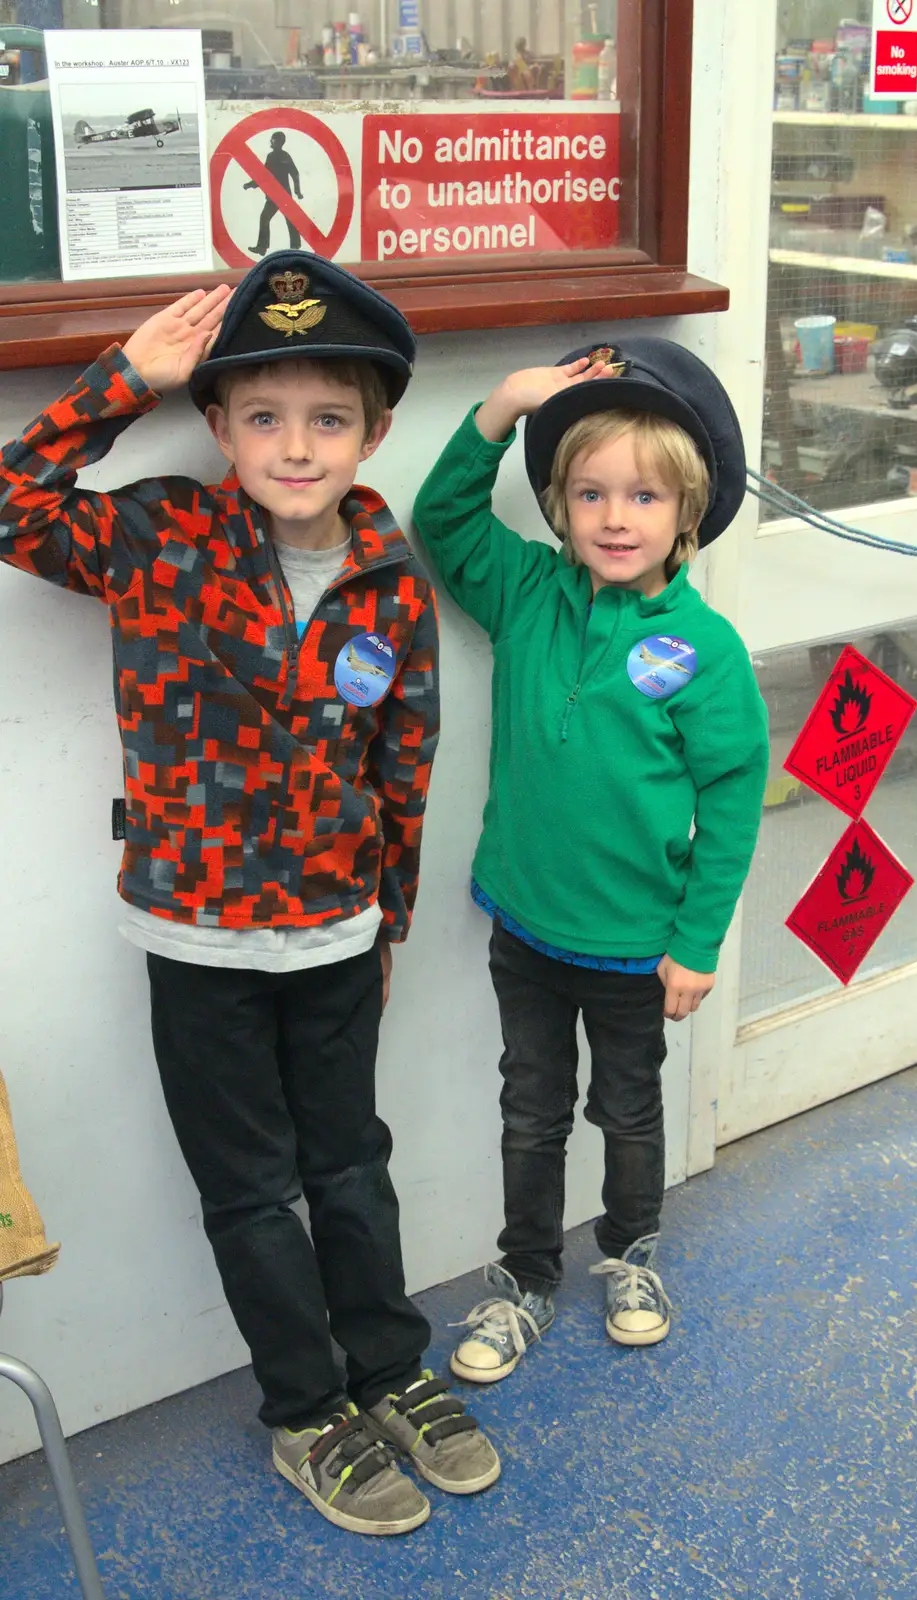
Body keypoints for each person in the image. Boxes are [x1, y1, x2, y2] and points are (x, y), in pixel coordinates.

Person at [0, 252, 499, 1534]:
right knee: (252, 1190)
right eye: (262, 416)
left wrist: (385, 928)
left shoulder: (392, 579)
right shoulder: (156, 535)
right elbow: (8, 500)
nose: (296, 445)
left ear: (373, 430)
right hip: (196, 937)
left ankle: (390, 1368)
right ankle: (305, 1407)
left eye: (328, 417)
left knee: (351, 1166)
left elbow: (409, 772)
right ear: (217, 424)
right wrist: (123, 380)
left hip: (336, 933)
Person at [412, 337, 769, 1383]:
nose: (617, 518)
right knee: (531, 1106)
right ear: (560, 504)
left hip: (633, 947)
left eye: (646, 497)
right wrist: (500, 408)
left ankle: (631, 1252)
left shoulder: (704, 652)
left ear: (686, 515)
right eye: (592, 492)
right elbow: (440, 521)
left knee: (627, 1108)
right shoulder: (524, 590)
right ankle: (525, 1275)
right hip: (526, 925)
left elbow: (734, 801)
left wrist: (695, 944)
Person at [246, 131, 303, 255]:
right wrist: (251, 184)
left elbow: (294, 173)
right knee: (267, 218)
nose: (271, 142)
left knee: (290, 220)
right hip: (275, 196)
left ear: (278, 142)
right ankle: (265, 247)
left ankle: (295, 247)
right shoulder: (272, 156)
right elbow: (264, 175)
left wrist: (297, 190)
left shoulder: (281, 156)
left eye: (273, 140)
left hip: (282, 196)